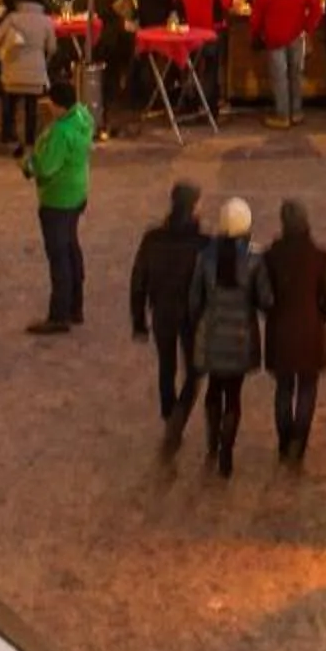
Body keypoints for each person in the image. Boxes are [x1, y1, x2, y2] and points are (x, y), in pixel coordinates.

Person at [261, 198, 326, 468]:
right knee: (307, 388)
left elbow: (263, 296)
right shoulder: (319, 257)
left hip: (280, 334)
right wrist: (318, 315)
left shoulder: (271, 257)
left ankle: (284, 441)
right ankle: (299, 441)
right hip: (310, 334)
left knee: (283, 388)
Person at [130, 180, 208, 449]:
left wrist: (139, 321)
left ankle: (168, 414)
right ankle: (179, 415)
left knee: (167, 366)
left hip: (162, 311)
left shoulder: (152, 239)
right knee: (195, 370)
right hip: (191, 315)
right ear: (193, 206)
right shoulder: (202, 243)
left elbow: (138, 281)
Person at [186, 197, 261, 479]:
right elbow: (265, 298)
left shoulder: (206, 257)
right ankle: (227, 450)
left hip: (213, 334)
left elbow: (195, 299)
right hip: (240, 338)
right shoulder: (254, 259)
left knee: (214, 390)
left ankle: (213, 443)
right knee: (233, 396)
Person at [24, 76, 94, 334]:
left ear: (60, 106)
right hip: (77, 192)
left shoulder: (60, 132)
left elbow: (45, 167)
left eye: (52, 104)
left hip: (57, 199)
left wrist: (26, 164)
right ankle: (76, 306)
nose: (49, 108)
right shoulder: (82, 117)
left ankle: (59, 315)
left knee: (59, 256)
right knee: (71, 248)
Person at [249, 0, 320, 129]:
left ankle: (282, 115)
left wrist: (256, 36)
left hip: (274, 38)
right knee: (295, 75)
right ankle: (296, 113)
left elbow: (256, 19)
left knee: (279, 77)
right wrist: (307, 27)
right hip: (296, 36)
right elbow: (316, 9)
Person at [0, 0, 55, 156]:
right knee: (31, 108)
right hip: (36, 73)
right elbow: (52, 47)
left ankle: (8, 140)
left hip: (12, 71)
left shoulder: (12, 18)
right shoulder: (46, 21)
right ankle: (30, 142)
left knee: (9, 106)